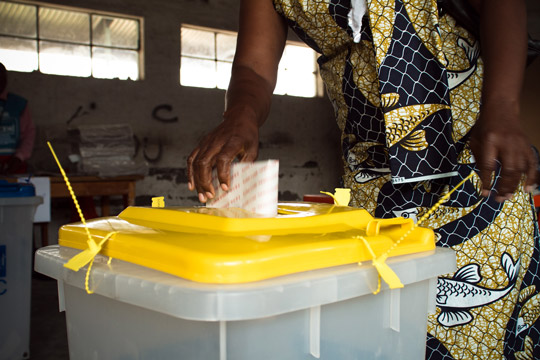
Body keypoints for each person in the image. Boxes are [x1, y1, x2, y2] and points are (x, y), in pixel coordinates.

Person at [187, 0, 540, 358]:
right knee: (381, 335)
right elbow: (254, 67)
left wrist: (502, 107)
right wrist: (240, 114)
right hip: (370, 186)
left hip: (475, 165)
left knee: (479, 338)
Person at [0, 62, 35, 174]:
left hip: (13, 166)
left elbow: (29, 135)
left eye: (3, 78)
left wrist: (19, 157)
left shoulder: (18, 104)